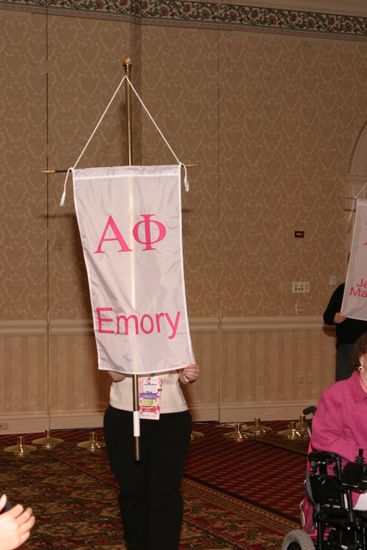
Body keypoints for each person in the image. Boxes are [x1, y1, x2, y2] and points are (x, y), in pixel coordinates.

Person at [103, 363, 200, 550]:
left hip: (172, 417)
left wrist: (189, 374)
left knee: (165, 493)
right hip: (125, 415)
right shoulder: (116, 333)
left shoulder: (174, 332)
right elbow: (116, 376)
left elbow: (185, 373)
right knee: (133, 492)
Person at [311, 330, 367, 509]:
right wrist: (360, 454)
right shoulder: (339, 394)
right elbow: (323, 437)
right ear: (361, 358)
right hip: (351, 478)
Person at [323, 282, 367, 381]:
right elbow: (328, 316)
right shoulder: (344, 289)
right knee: (344, 384)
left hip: (364, 346)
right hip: (347, 345)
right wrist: (335, 317)